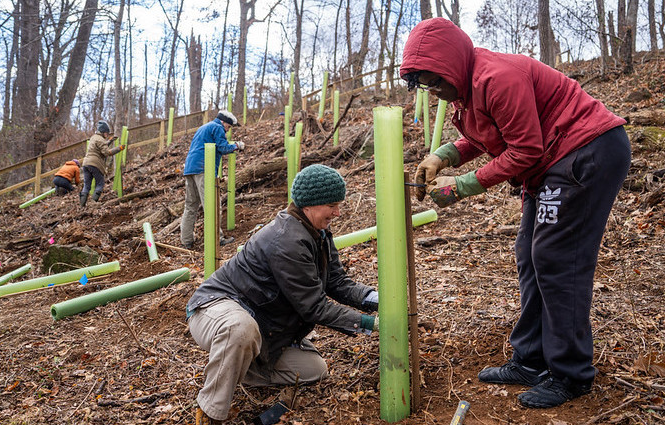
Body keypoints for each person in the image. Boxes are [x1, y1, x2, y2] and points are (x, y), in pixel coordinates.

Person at [400, 18, 631, 408]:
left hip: (586, 150)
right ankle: (531, 358)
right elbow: (487, 133)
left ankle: (571, 374)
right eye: (425, 84)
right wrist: (442, 156)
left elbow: (525, 150)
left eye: (435, 81)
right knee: (529, 253)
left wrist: (462, 186)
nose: (435, 92)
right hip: (553, 160)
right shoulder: (469, 87)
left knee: (556, 256)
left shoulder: (497, 78)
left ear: (452, 64)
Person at [185, 164, 379, 424]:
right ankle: (210, 413)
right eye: (332, 205)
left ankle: (235, 367)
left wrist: (375, 299)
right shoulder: (286, 241)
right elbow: (314, 307)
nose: (338, 212)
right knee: (240, 329)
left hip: (262, 323)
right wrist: (370, 324)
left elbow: (336, 281)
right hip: (216, 308)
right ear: (309, 204)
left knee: (313, 370)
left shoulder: (318, 232)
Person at [180, 110, 245, 250]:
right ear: (224, 122)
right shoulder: (217, 127)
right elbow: (222, 147)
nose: (227, 131)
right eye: (228, 127)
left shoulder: (204, 127)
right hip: (204, 169)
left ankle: (186, 241)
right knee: (212, 204)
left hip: (190, 169)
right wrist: (237, 146)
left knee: (190, 206)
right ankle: (217, 238)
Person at [80, 120, 124, 207]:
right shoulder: (101, 139)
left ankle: (82, 205)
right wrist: (119, 148)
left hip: (86, 163)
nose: (107, 135)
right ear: (103, 132)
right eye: (107, 133)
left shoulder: (94, 137)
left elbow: (99, 147)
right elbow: (106, 152)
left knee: (86, 185)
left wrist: (110, 141)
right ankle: (93, 202)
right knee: (100, 183)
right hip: (95, 164)